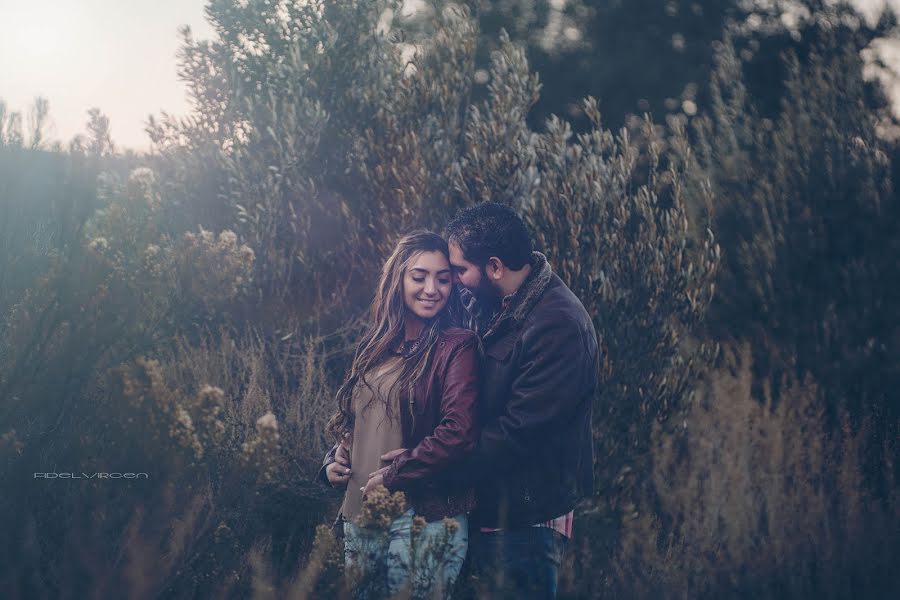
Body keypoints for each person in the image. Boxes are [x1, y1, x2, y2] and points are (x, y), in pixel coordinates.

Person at [444, 202, 598, 599]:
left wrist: (431, 469)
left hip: (524, 519)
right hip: (491, 509)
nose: (455, 280)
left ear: (494, 267)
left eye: (460, 270)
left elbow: (518, 434)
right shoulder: (494, 305)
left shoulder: (558, 325)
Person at [318, 231, 480, 599]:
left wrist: (396, 473)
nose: (431, 288)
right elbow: (354, 422)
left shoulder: (457, 345)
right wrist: (332, 461)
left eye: (443, 278)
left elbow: (459, 432)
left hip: (422, 518)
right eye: (419, 276)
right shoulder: (377, 344)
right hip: (360, 518)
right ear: (399, 280)